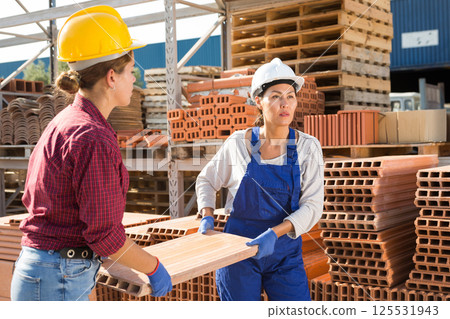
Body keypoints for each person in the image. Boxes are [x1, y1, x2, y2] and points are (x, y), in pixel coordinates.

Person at [10, 6, 172, 301]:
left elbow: (70, 215)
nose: (134, 80)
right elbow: (105, 236)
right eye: (131, 72)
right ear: (112, 77)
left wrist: (113, 262)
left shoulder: (67, 121)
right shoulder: (92, 136)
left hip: (49, 271)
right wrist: (154, 267)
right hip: (58, 277)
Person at [196, 58, 324, 301]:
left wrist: (275, 233)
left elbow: (313, 206)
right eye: (275, 96)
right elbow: (206, 180)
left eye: (290, 96)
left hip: (284, 253)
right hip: (238, 254)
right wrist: (207, 215)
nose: (284, 104)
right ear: (258, 101)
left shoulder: (308, 147)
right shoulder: (239, 143)